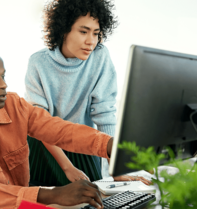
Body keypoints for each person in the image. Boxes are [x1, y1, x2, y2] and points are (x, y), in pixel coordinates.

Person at [0, 44, 115, 209]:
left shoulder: (14, 105)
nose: (3, 84)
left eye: (3, 75)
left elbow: (59, 130)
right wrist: (53, 194)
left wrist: (109, 145)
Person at [25, 0, 151, 186]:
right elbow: (40, 122)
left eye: (96, 33)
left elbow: (105, 114)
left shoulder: (100, 57)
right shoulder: (38, 62)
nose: (91, 41)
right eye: (83, 31)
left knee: (92, 197)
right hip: (45, 147)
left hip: (84, 144)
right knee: (47, 198)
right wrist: (67, 167)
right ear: (63, 29)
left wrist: (115, 170)